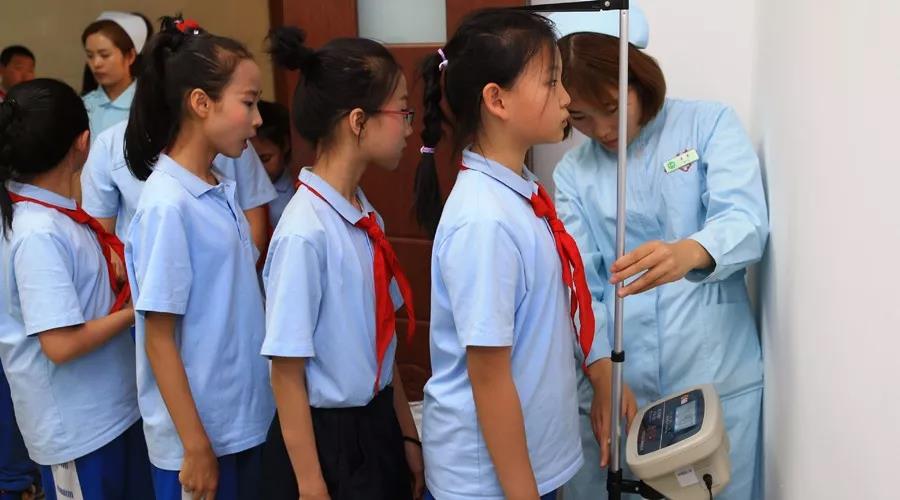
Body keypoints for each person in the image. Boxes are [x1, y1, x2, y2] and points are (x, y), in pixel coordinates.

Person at [414, 9, 636, 500]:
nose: (566, 97)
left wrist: (600, 372)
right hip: (490, 483)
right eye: (552, 82)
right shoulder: (483, 221)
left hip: (530, 466)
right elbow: (489, 377)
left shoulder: (521, 192)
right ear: (497, 99)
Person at [552, 9, 768, 500]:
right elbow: (581, 286)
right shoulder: (573, 175)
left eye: (612, 106)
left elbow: (747, 221)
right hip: (623, 385)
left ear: (639, 78)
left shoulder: (707, 124)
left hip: (713, 372)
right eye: (580, 116)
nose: (602, 128)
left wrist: (690, 252)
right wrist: (602, 371)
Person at [260, 27, 424, 500]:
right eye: (401, 110)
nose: (409, 127)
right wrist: (311, 484)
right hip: (327, 440)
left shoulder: (363, 214)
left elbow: (382, 345)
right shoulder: (304, 232)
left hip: (377, 423)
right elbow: (286, 372)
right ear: (358, 121)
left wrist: (406, 434)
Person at [123, 17, 275, 500]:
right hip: (201, 443)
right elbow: (159, 338)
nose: (258, 120)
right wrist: (195, 445)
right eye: (248, 103)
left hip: (240, 423)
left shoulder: (217, 185)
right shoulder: (168, 204)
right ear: (201, 102)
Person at [0, 78, 152, 499]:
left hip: (108, 409)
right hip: (79, 427)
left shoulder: (49, 214)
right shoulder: (37, 230)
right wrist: (133, 312)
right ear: (83, 143)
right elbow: (60, 344)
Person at [81, 11, 151, 138]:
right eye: (90, 56)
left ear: (130, 56)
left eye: (105, 55)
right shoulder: (82, 106)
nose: (96, 63)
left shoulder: (148, 104)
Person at [251, 100, 296, 230]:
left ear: (285, 145)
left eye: (265, 159)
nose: (259, 169)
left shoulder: (296, 194)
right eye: (250, 161)